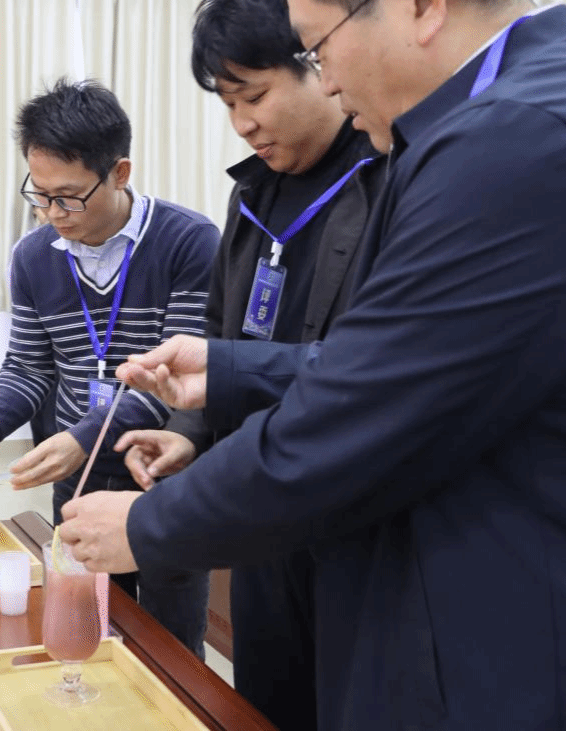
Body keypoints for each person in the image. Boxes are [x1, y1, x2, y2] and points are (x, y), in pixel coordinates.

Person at [60, 1, 566, 727]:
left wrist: (149, 523)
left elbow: (364, 405)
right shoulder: (510, 115)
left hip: (505, 640)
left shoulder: (517, 139)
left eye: (319, 47)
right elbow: (408, 364)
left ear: (421, 8)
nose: (326, 80)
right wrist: (229, 371)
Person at [113, 1, 382, 727]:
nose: (242, 124)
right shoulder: (252, 192)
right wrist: (190, 435)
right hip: (260, 513)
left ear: (317, 61)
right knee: (264, 700)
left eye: (255, 96)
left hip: (347, 514)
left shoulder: (386, 179)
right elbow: (220, 331)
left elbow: (369, 369)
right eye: (229, 104)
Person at [0, 78, 220, 656]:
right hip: (80, 477)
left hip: (162, 477)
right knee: (85, 629)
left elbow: (176, 382)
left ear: (120, 173)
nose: (51, 213)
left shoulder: (189, 242)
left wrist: (85, 437)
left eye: (67, 197)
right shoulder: (33, 256)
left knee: (170, 647)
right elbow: (29, 365)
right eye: (39, 195)